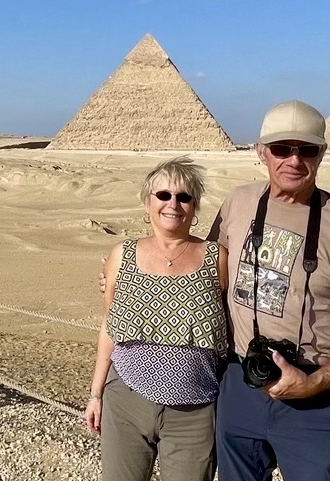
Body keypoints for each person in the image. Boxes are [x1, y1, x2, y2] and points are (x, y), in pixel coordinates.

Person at [208, 100, 330, 481]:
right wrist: (127, 268)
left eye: (306, 149)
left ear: (321, 153)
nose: (294, 160)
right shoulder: (237, 205)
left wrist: (312, 384)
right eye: (281, 148)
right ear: (260, 152)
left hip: (315, 401)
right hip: (242, 382)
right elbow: (207, 272)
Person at [85, 157, 228, 481]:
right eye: (163, 195)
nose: (173, 204)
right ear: (147, 203)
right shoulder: (122, 255)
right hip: (126, 401)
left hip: (195, 410)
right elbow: (111, 326)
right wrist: (95, 395)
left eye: (184, 196)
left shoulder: (217, 258)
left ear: (195, 206)